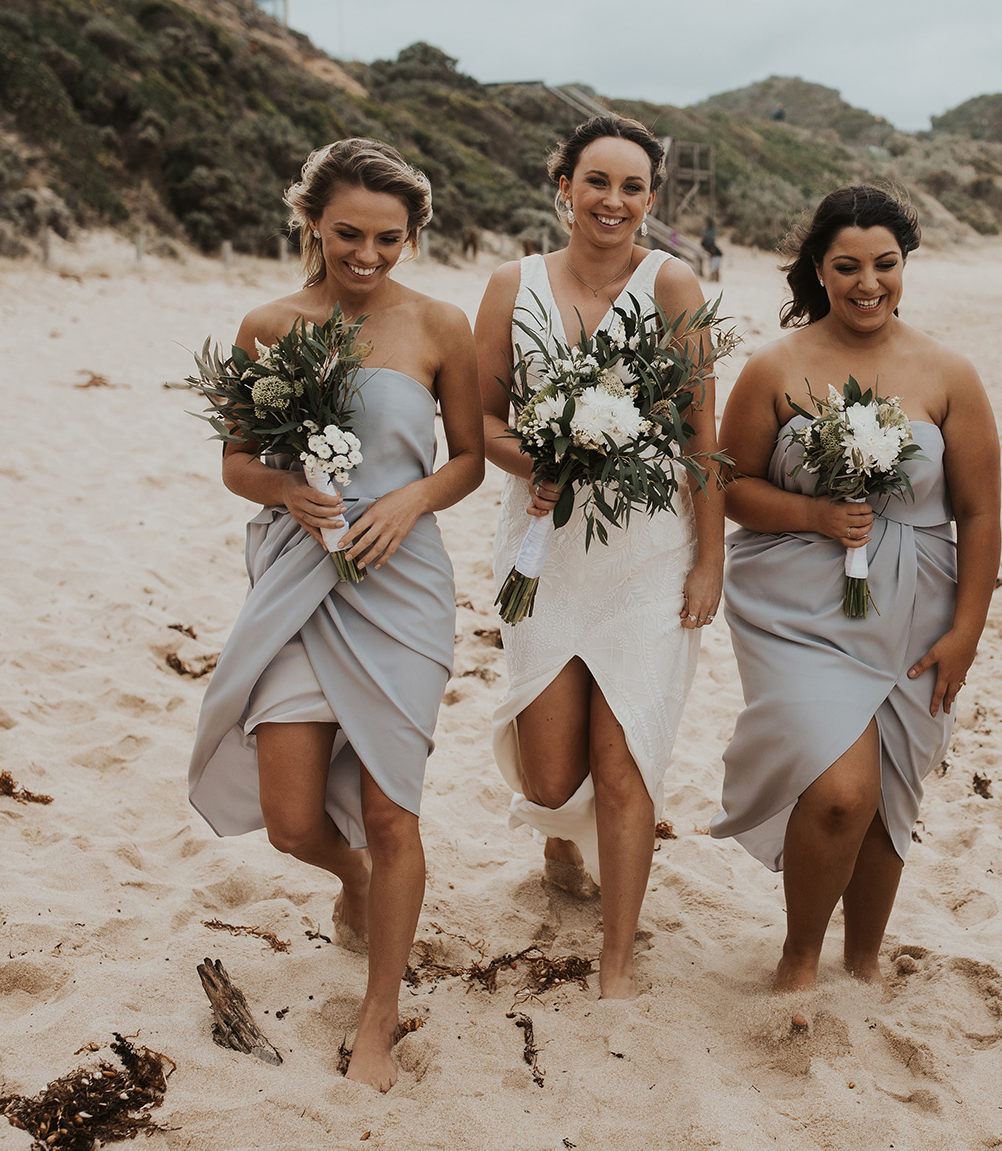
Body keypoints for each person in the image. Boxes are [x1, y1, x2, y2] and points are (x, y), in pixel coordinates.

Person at [188, 138, 485, 1092]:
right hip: (298, 574)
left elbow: (469, 459)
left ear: (413, 234)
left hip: (401, 585)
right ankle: (353, 883)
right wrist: (288, 491)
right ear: (312, 220)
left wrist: (410, 501)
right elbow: (237, 464)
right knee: (288, 819)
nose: (367, 254)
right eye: (349, 233)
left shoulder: (441, 324)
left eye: (389, 238)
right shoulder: (268, 324)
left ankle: (380, 1011)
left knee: (394, 808)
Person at [709, 185, 1001, 1011]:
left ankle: (864, 959)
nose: (868, 282)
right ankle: (800, 957)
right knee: (840, 790)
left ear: (906, 265)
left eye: (885, 264)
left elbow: (980, 513)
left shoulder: (948, 373)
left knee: (891, 789)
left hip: (919, 602)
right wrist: (817, 513)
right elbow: (729, 487)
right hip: (793, 600)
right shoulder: (776, 365)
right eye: (847, 266)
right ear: (818, 269)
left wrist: (967, 631)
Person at [474, 114, 725, 999]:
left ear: (652, 199)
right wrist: (534, 461)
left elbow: (702, 431)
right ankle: (555, 831)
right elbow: (481, 423)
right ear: (564, 188)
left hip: (651, 552)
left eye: (631, 186)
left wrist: (710, 560)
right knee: (552, 772)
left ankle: (617, 960)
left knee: (626, 760)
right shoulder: (511, 284)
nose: (612, 200)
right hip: (545, 547)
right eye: (596, 182)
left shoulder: (673, 283)